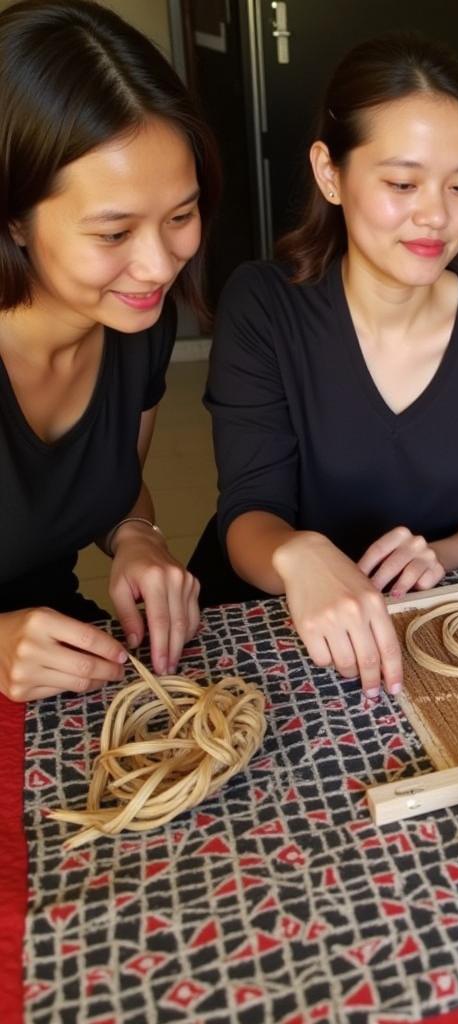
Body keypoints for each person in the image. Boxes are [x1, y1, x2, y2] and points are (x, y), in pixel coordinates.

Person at [192, 35, 458, 699]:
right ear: (330, 172)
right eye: (402, 183)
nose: (436, 215)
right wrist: (301, 556)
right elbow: (248, 514)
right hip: (264, 624)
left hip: (412, 629)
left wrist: (444, 554)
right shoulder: (264, 305)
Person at [0, 0, 221, 702]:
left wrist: (136, 536)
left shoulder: (135, 327)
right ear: (14, 219)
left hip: (62, 668)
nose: (159, 266)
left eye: (181, 217)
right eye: (113, 233)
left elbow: (113, 486)